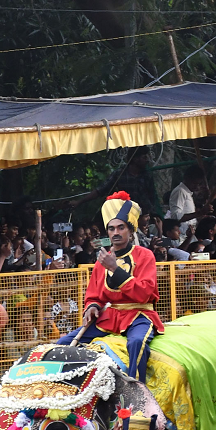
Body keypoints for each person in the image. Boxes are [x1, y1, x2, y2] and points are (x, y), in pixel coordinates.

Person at [57, 192, 164, 382]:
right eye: (112, 228)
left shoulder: (145, 255)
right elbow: (94, 295)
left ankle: (137, 389)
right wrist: (91, 307)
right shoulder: (102, 260)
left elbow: (144, 294)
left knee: (137, 342)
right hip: (110, 317)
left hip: (139, 314)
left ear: (130, 231)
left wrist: (114, 268)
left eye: (121, 228)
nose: (116, 232)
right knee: (64, 342)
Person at [70, 146, 160, 217]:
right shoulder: (120, 173)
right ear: (135, 159)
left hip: (144, 214)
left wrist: (153, 213)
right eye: (144, 157)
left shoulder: (147, 175)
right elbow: (101, 190)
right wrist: (79, 202)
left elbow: (152, 197)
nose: (147, 160)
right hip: (126, 214)